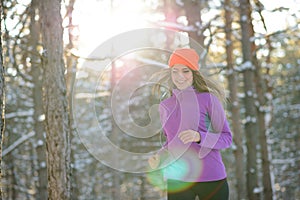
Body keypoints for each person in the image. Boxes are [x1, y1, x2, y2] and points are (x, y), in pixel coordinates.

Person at [148, 48, 232, 200]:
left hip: (211, 178)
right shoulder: (165, 106)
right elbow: (172, 142)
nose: (180, 76)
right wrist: (159, 156)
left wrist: (199, 137)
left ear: (194, 72)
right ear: (170, 73)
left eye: (185, 71)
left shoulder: (208, 99)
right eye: (175, 71)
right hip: (178, 180)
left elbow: (226, 138)